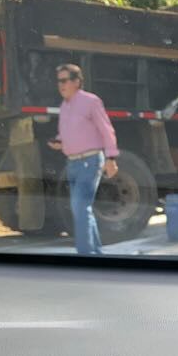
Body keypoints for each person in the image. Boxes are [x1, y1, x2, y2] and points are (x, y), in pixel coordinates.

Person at [46, 64, 119, 255]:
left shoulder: (91, 101)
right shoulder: (64, 106)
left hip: (90, 161)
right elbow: (67, 132)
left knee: (80, 207)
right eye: (58, 81)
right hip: (73, 163)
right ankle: (95, 253)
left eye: (64, 80)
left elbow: (106, 129)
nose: (60, 85)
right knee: (82, 209)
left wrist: (111, 158)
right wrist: (59, 141)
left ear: (76, 82)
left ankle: (85, 255)